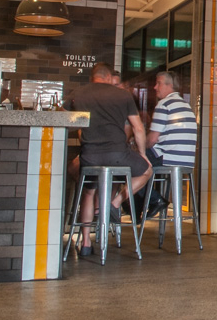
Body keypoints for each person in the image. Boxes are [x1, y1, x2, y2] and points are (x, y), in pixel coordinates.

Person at [65, 62, 152, 256]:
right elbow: (138, 128)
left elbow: (61, 118)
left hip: (89, 156)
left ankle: (86, 243)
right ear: (107, 77)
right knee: (147, 170)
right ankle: (115, 203)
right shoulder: (123, 95)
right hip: (118, 155)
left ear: (92, 77)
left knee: (88, 193)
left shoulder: (79, 93)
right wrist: (142, 154)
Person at [144, 71, 198, 219]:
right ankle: (147, 203)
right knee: (139, 164)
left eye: (159, 83)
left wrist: (139, 146)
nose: (155, 87)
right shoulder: (186, 106)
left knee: (132, 164)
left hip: (168, 157)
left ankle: (154, 200)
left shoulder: (164, 104)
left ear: (170, 85)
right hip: (186, 161)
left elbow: (152, 139)